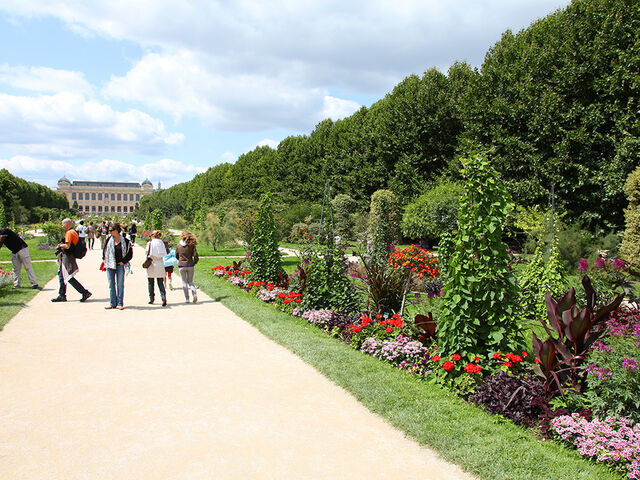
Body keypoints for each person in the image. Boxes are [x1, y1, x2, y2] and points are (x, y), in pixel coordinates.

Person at [52, 218, 91, 302]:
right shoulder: (73, 232)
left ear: (67, 224)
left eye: (63, 224)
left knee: (68, 276)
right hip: (69, 256)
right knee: (62, 275)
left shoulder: (69, 233)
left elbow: (67, 246)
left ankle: (84, 292)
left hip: (67, 256)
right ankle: (62, 295)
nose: (62, 226)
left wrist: (60, 245)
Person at [102, 222, 133, 310]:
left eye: (111, 230)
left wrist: (124, 261)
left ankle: (120, 303)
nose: (109, 232)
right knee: (111, 285)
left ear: (116, 231)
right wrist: (104, 259)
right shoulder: (109, 240)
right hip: (110, 265)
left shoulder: (126, 241)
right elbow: (105, 250)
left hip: (119, 265)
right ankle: (112, 303)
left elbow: (130, 253)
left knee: (120, 285)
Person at [175, 230, 199, 303]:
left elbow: (176, 255)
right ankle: (194, 294)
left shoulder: (178, 245)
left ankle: (187, 299)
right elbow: (195, 255)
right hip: (190, 264)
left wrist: (180, 260)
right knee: (190, 281)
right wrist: (195, 262)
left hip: (181, 265)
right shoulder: (192, 245)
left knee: (184, 282)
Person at [145, 230, 168, 306]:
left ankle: (151, 298)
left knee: (151, 282)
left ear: (152, 236)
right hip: (160, 262)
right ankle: (163, 296)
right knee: (160, 282)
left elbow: (146, 252)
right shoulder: (161, 243)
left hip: (151, 262)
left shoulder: (150, 243)